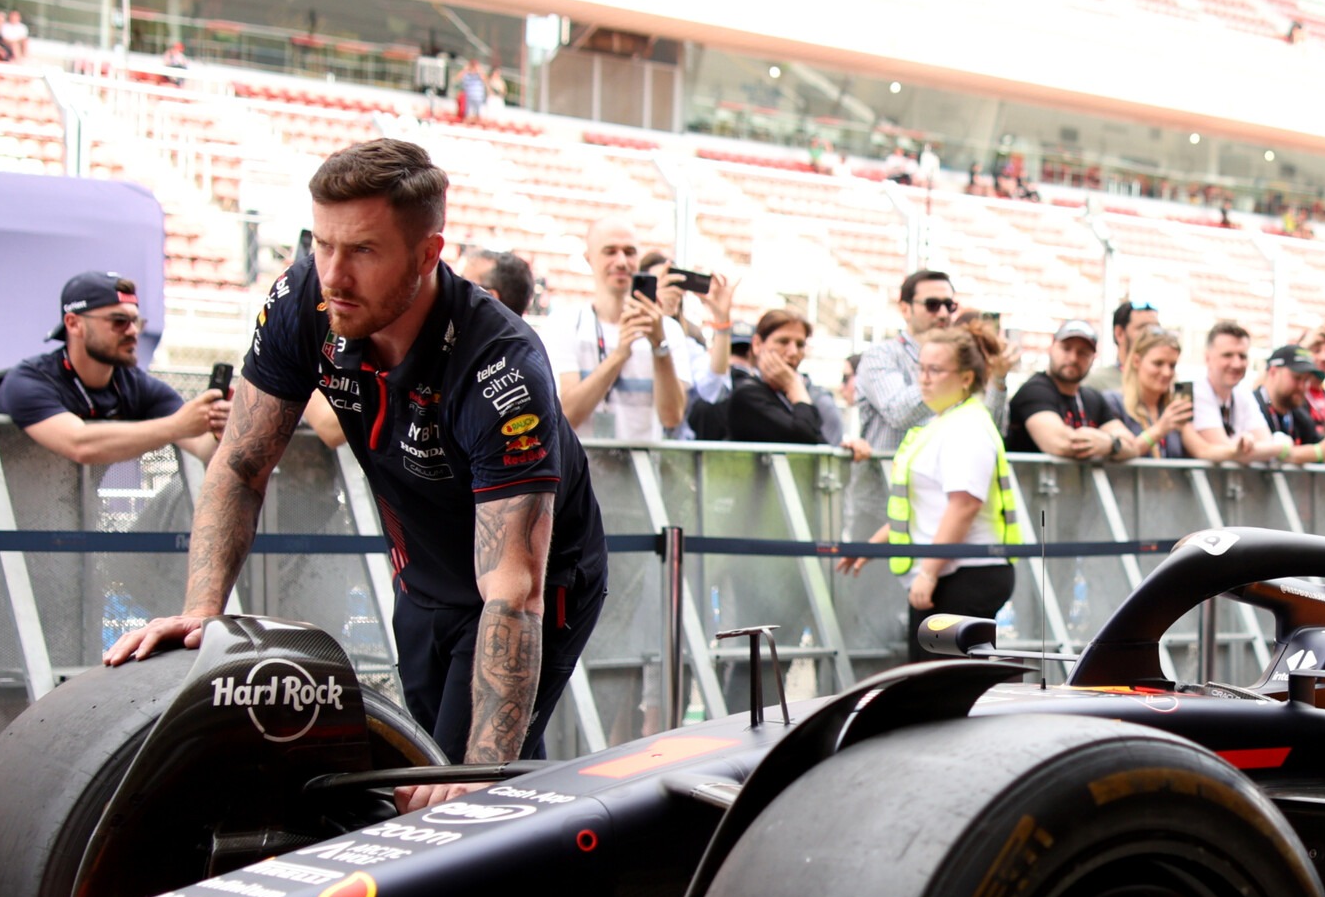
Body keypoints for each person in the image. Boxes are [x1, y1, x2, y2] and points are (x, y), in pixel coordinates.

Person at [109, 140, 604, 766]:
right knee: (416, 766)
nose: (335, 276)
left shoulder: (502, 365)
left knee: (459, 782)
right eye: (324, 244)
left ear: (428, 253)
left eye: (364, 251)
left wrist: (475, 779)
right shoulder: (304, 299)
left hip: (533, 581)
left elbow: (514, 591)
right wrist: (201, 614)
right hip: (423, 575)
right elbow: (239, 464)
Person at [857, 316, 1019, 624]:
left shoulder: (967, 426)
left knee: (945, 672)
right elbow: (922, 506)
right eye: (921, 368)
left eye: (935, 370)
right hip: (954, 572)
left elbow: (964, 505)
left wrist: (929, 573)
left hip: (965, 575)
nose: (924, 379)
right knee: (933, 670)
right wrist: (872, 546)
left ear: (966, 378)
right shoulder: (942, 422)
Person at [0, 271, 229, 468]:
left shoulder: (136, 385)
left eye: (135, 321)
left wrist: (225, 426)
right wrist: (177, 425)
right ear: (73, 324)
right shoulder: (29, 380)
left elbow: (203, 449)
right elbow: (80, 445)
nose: (133, 331)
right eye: (119, 321)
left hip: (74, 520)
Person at [542, 212, 688, 441]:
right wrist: (619, 354)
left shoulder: (668, 331)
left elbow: (672, 417)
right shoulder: (564, 324)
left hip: (642, 473)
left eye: (629, 252)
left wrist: (659, 346)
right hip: (581, 473)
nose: (621, 261)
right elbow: (566, 415)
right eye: (610, 251)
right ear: (589, 258)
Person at [686, 308, 851, 447]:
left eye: (800, 344)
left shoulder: (812, 394)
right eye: (783, 342)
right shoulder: (747, 393)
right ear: (757, 345)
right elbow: (804, 438)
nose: (793, 352)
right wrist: (794, 385)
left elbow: (822, 443)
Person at [852, 267, 961, 452]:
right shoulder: (880, 355)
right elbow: (899, 413)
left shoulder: (960, 360)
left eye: (949, 305)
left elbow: (994, 427)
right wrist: (950, 375)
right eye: (932, 304)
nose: (943, 314)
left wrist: (997, 379)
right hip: (887, 478)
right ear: (905, 309)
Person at [1009, 319, 1124, 462]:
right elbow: (1061, 443)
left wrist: (1111, 444)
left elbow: (1131, 444)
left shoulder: (1092, 397)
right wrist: (1110, 443)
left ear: (1093, 358)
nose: (1073, 358)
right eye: (1066, 348)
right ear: (1052, 347)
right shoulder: (1035, 390)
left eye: (1083, 353)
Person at [1186, 320, 1275, 461]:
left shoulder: (1243, 393)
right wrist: (1282, 447)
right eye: (1227, 355)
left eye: (1242, 356)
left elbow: (1268, 446)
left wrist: (1273, 448)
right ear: (1207, 358)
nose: (1236, 363)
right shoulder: (1195, 393)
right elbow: (1227, 452)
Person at [1104, 324, 1193, 461]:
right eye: (1158, 363)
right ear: (1136, 361)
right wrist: (1160, 429)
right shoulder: (1113, 402)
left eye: (1172, 365)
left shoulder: (1173, 408)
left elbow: (1203, 449)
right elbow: (1122, 450)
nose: (1166, 372)